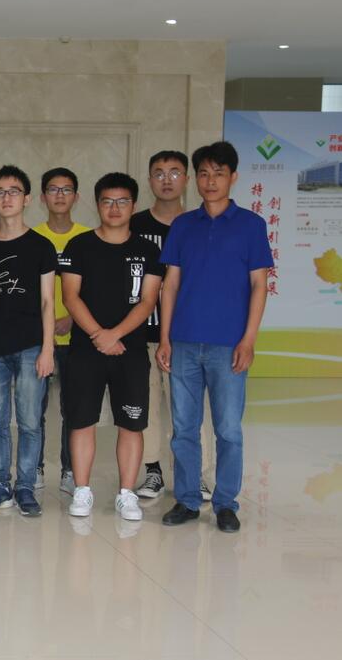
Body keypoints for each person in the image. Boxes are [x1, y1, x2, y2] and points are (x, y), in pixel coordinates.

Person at [157, 141, 272, 533]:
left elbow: (259, 285)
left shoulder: (251, 225)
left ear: (233, 177)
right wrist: (166, 338)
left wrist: (249, 339)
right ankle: (187, 500)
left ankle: (225, 503)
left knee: (228, 430)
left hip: (229, 346)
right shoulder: (183, 225)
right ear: (196, 179)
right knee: (184, 429)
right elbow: (170, 285)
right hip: (185, 342)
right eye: (204, 174)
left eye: (218, 174)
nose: (210, 181)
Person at [60, 173, 163, 522]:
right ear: (97, 204)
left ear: (133, 205)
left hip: (130, 351)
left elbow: (148, 301)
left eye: (122, 201)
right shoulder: (79, 246)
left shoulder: (148, 251)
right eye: (107, 201)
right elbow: (70, 296)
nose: (114, 208)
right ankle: (82, 490)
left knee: (131, 424)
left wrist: (115, 334)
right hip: (85, 350)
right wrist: (98, 335)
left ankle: (127, 493)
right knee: (81, 421)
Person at [131, 151, 216, 501]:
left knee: (191, 409)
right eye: (159, 173)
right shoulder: (134, 225)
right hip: (140, 332)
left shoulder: (200, 223)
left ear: (187, 179)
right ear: (149, 179)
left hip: (187, 335)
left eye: (175, 172)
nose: (167, 180)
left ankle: (195, 474)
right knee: (145, 406)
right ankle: (152, 472)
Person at [0, 166, 56, 517]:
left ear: (27, 199)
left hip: (31, 346)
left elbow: (48, 302)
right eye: (0, 192)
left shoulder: (41, 246)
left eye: (14, 191)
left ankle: (25, 486)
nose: (7, 198)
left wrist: (48, 349)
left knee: (30, 421)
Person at [33, 167, 93, 496]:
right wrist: (45, 325)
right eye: (53, 189)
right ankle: (36, 466)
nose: (59, 195)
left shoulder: (88, 238)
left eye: (66, 190)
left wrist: (72, 317)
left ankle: (70, 469)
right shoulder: (32, 237)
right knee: (34, 409)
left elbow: (95, 290)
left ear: (76, 197)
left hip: (77, 338)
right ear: (42, 197)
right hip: (39, 340)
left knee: (73, 408)